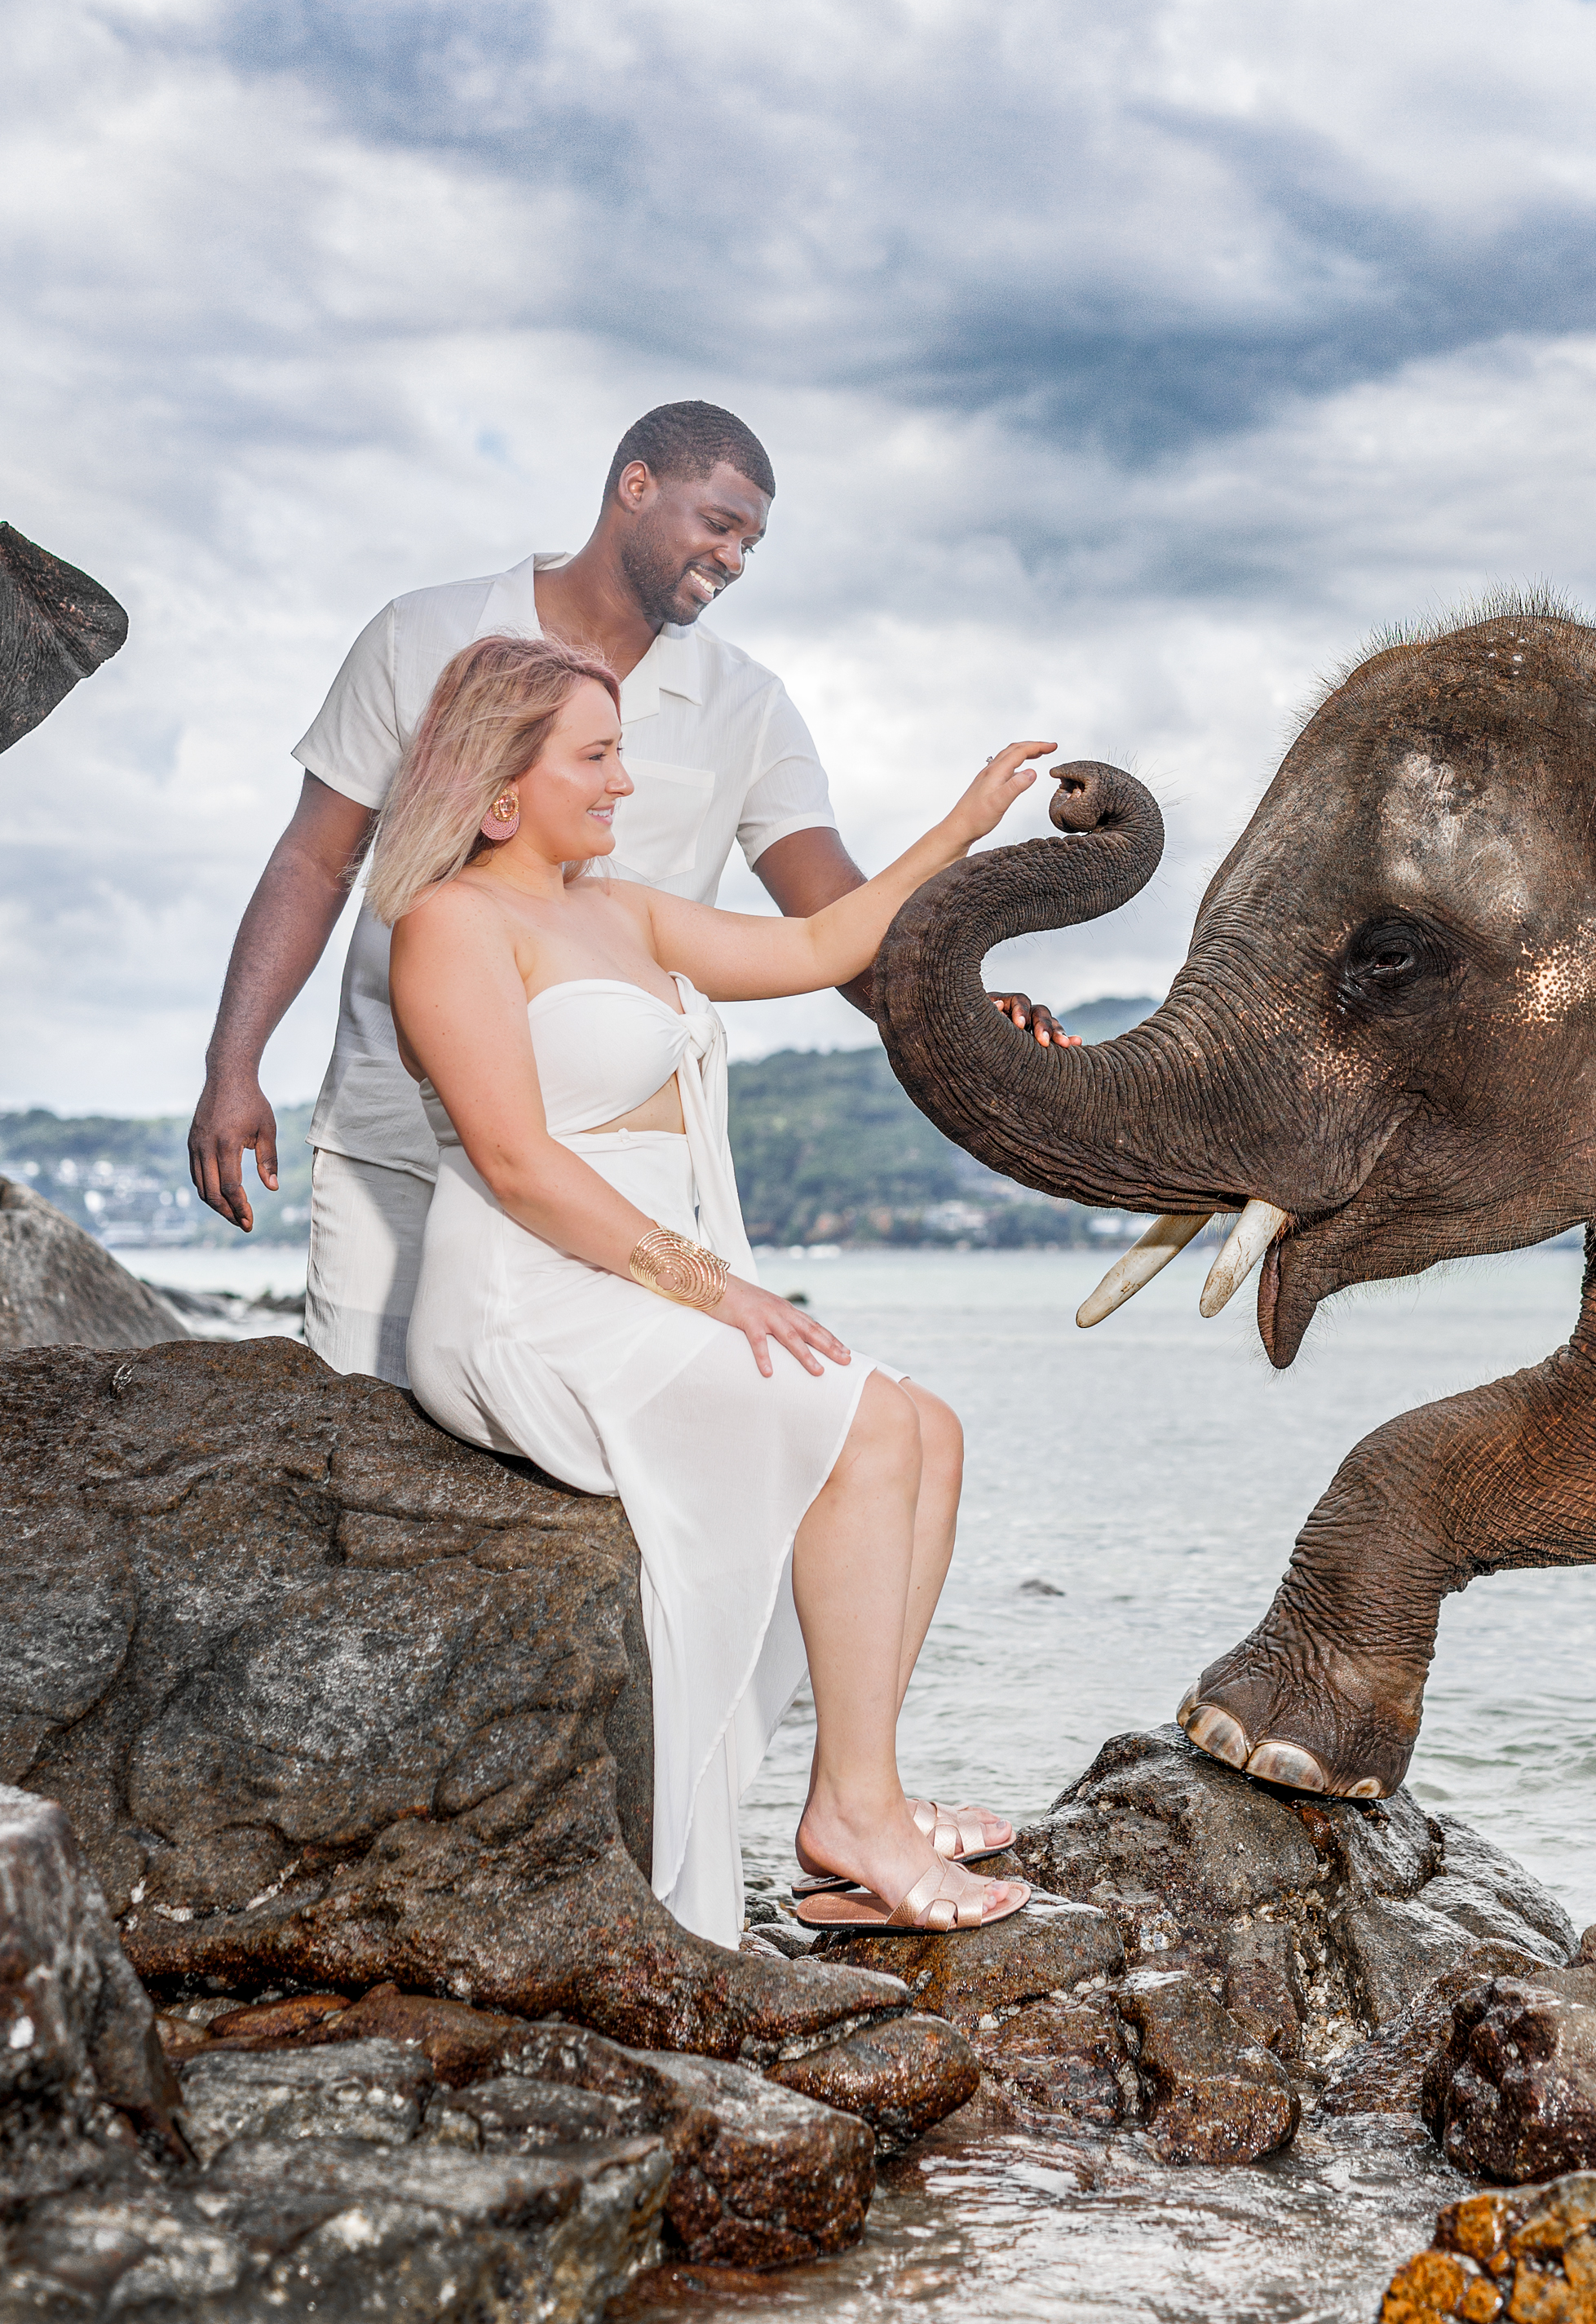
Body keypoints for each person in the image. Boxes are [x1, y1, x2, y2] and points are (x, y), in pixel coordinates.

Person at [377, 631, 1045, 1947]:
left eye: (620, 751)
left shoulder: (620, 910)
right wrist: (712, 1290)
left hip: (638, 1281)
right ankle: (856, 1819)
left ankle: (859, 1795)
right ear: (499, 792)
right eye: (596, 756)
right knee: (866, 1426)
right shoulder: (450, 926)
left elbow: (823, 942)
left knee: (931, 1430)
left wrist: (963, 828)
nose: (624, 782)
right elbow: (517, 1165)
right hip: (529, 1293)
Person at [188, 398, 1072, 1383]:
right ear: (636, 486)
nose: (735, 558)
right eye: (720, 523)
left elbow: (831, 923)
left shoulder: (749, 707)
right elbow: (314, 860)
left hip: (616, 1184)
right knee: (361, 1427)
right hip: (396, 1138)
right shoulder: (419, 634)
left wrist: (957, 1001)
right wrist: (235, 1064)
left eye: (751, 542)